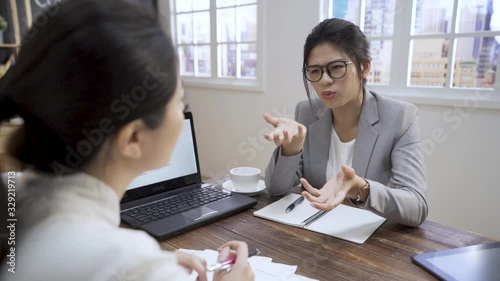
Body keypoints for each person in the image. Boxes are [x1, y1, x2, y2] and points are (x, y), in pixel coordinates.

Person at [0, 0, 254, 280]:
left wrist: (155, 262)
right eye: (181, 100)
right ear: (133, 138)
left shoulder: (10, 198)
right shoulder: (132, 261)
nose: (183, 112)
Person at [263, 18, 428, 227]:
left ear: (364, 67)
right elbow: (275, 190)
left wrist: (360, 188)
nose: (324, 80)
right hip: (314, 233)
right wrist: (290, 150)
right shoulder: (306, 112)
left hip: (371, 241)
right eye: (315, 71)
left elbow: (417, 207)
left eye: (336, 67)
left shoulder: (400, 117)